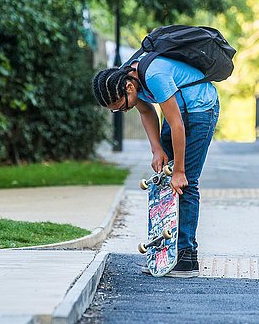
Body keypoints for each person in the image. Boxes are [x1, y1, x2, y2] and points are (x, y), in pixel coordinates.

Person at [92, 55, 220, 277]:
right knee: (164, 184)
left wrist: (179, 170)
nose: (122, 111)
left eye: (121, 106)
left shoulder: (154, 76)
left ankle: (187, 257)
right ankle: (166, 252)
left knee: (185, 183)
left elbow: (177, 124)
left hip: (200, 109)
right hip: (179, 112)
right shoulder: (125, 76)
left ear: (129, 87)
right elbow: (146, 110)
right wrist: (157, 149)